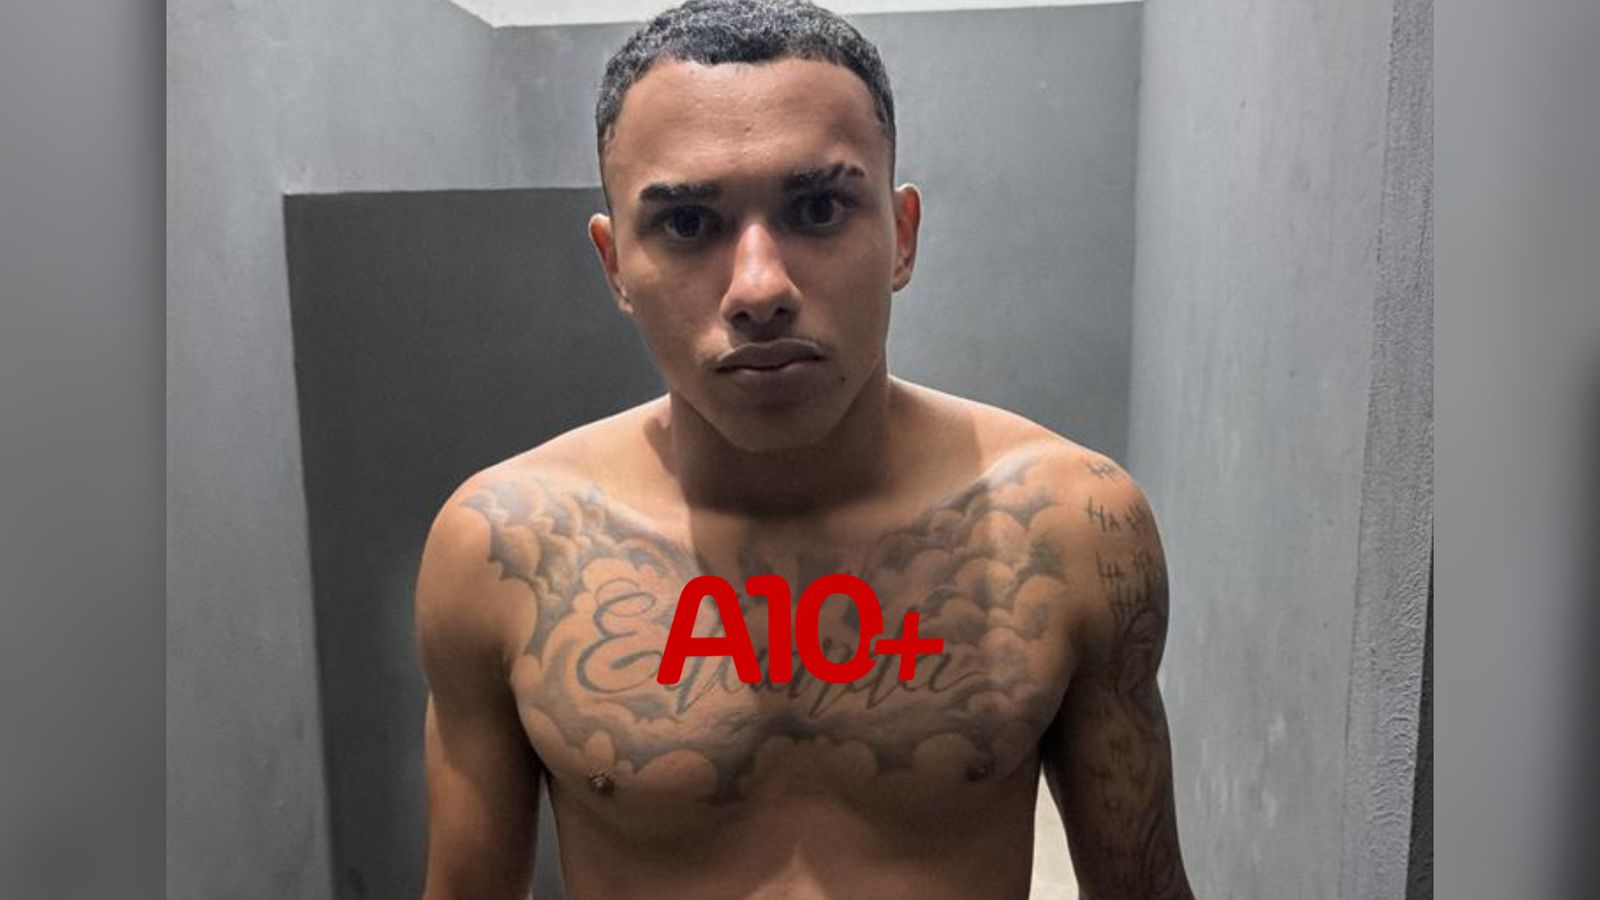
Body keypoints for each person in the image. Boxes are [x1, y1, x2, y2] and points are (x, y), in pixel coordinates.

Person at [415, 1, 1194, 897]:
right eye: (687, 223)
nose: (759, 288)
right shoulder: (503, 549)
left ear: (901, 235)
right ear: (615, 264)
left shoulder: (1071, 527)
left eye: (818, 208)